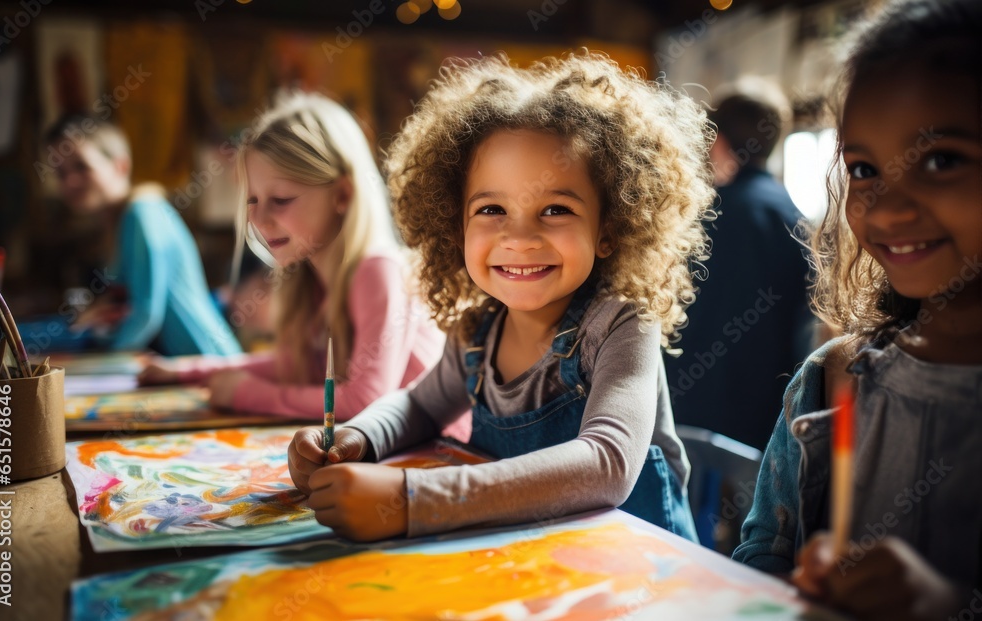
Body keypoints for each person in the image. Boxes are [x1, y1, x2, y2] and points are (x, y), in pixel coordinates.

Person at [287, 52, 715, 543]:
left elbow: (606, 463)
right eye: (492, 208)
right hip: (532, 559)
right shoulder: (476, 329)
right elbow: (419, 406)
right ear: (456, 224)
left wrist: (414, 498)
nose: (520, 237)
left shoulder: (619, 325)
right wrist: (356, 438)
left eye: (556, 209)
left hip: (642, 570)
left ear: (609, 228)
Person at [733, 1, 982, 618]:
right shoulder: (830, 380)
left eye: (942, 159)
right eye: (865, 170)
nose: (890, 209)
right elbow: (763, 550)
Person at [139, 93, 446, 421]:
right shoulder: (309, 279)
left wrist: (246, 393)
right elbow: (292, 365)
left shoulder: (378, 270)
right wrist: (187, 370)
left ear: (342, 194)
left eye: (281, 200)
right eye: (252, 200)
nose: (257, 220)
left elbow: (365, 401)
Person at [665, 78, 813, 450]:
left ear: (717, 141)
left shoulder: (691, 217)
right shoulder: (797, 222)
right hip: (765, 422)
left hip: (683, 408)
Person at [46, 115, 241, 356]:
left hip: (206, 360)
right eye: (60, 173)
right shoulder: (118, 224)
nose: (70, 181)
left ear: (121, 166)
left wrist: (105, 358)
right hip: (180, 363)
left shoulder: (143, 211)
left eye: (81, 166)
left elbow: (146, 313)